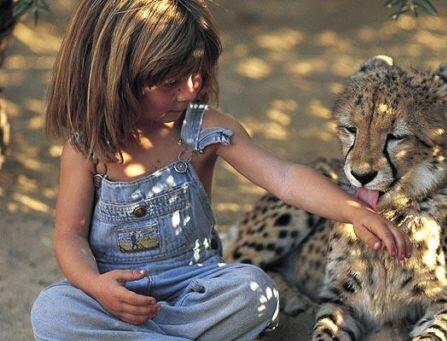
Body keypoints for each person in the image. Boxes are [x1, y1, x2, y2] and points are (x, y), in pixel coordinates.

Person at [30, 1, 412, 340]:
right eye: (170, 82)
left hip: (194, 289)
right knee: (52, 310)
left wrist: (351, 209)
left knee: (254, 291)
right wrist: (95, 287)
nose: (190, 92)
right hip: (113, 297)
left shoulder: (206, 128)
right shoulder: (86, 148)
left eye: (198, 75)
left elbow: (284, 177)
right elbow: (70, 236)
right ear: (115, 80)